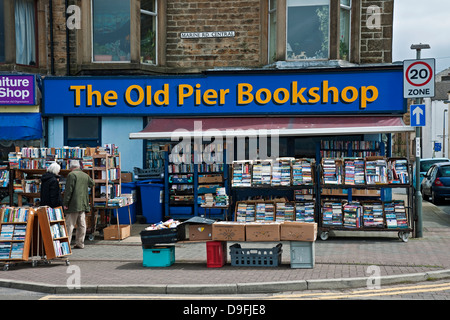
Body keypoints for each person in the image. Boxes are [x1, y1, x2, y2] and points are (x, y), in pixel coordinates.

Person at [63, 160, 94, 249]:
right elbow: (92, 183)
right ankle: (80, 243)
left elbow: (69, 190)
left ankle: (67, 244)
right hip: (83, 203)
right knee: (82, 224)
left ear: (71, 167)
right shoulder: (85, 175)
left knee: (70, 225)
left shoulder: (71, 175)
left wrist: (66, 203)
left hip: (73, 204)